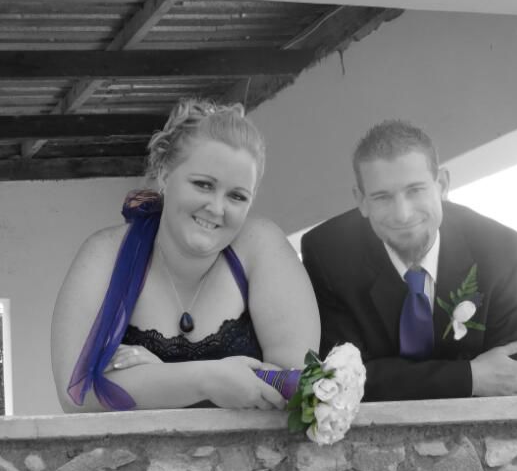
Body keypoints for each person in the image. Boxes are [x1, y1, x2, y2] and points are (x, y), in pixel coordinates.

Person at [52, 99, 320, 412]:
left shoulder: (261, 246)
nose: (216, 208)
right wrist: (206, 379)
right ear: (165, 174)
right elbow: (77, 395)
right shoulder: (105, 254)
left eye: (236, 196)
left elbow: (294, 387)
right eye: (203, 185)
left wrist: (156, 379)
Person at [301, 120, 517, 401]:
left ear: (442, 184)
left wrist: (390, 375)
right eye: (382, 197)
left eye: (415, 190)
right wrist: (468, 378)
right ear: (361, 200)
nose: (402, 214)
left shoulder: (500, 250)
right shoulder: (329, 255)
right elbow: (340, 378)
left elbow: (511, 375)